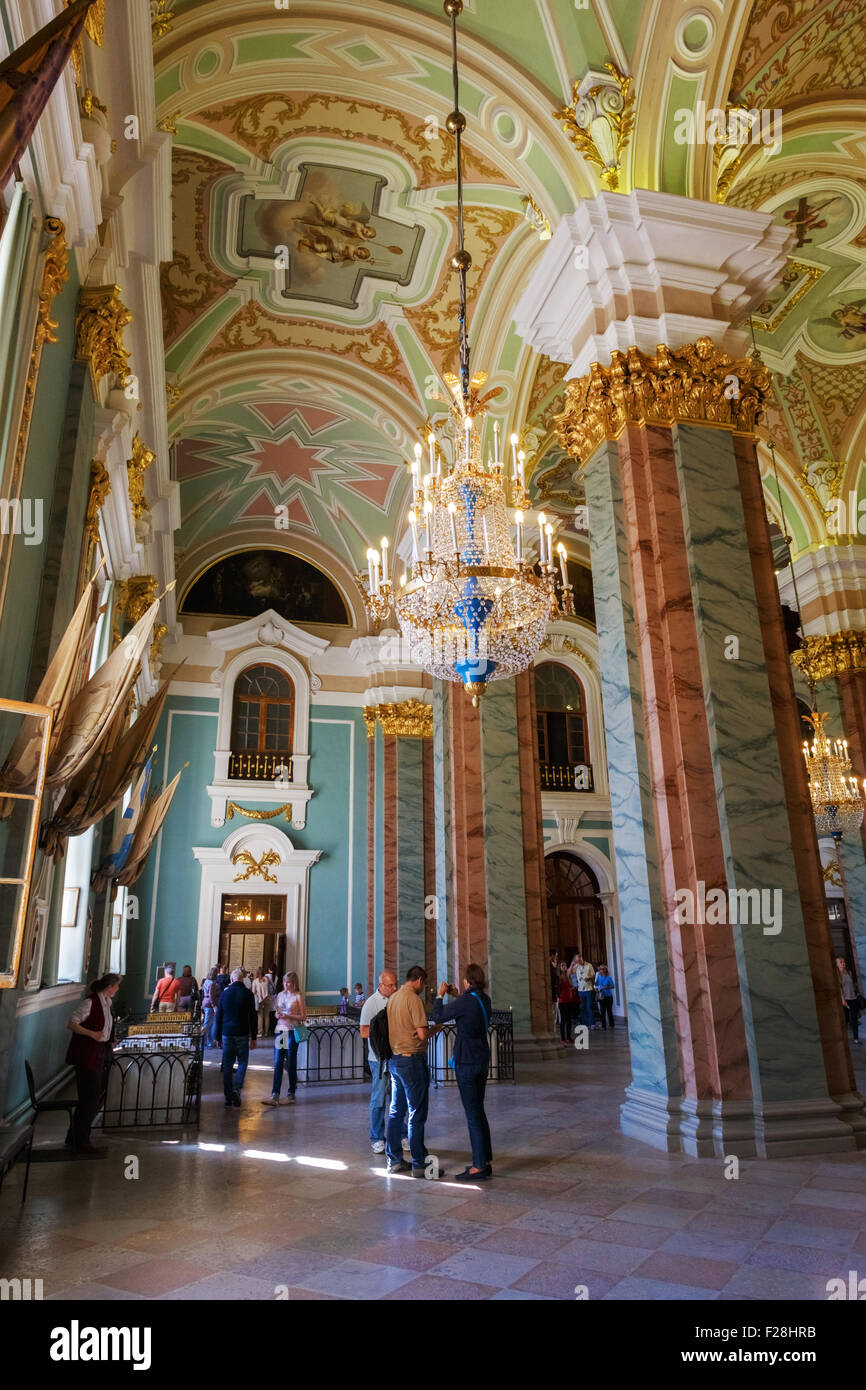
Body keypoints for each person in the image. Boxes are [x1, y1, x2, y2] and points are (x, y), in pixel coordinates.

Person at [434, 965, 493, 1181]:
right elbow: (470, 1008)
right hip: (482, 1060)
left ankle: (479, 1166)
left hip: (466, 1062)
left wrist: (440, 995)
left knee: (472, 1115)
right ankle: (484, 1160)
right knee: (479, 1111)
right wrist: (458, 994)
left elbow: (438, 1015)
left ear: (467, 981)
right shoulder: (484, 1000)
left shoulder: (465, 1002)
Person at [385, 965, 442, 1178]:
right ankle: (419, 1163)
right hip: (412, 1061)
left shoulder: (393, 999)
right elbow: (421, 1033)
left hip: (395, 1060)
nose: (423, 987)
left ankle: (395, 1161)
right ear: (418, 980)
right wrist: (435, 1029)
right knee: (416, 1112)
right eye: (424, 984)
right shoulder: (413, 999)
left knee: (395, 1111)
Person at [65, 973, 122, 1156]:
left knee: (94, 1097)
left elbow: (105, 1025)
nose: (118, 989)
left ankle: (74, 1135)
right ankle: (81, 1140)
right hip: (86, 1055)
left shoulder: (107, 1002)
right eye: (116, 986)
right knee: (89, 1099)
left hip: (99, 1053)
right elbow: (72, 1024)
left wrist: (109, 1039)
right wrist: (92, 1034)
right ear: (109, 987)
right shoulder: (90, 1002)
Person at [359, 970, 408, 1156]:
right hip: (378, 1059)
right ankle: (377, 1138)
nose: (394, 988)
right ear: (381, 985)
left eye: (396, 984)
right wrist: (383, 1032)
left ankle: (402, 1134)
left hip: (396, 1056)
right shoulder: (371, 1004)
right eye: (390, 985)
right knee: (378, 1099)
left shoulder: (397, 999)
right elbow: (363, 1031)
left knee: (398, 1098)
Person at [262, 971, 306, 1106]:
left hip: (293, 1031)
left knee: (291, 1062)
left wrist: (289, 1016)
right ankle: (275, 1094)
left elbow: (303, 1016)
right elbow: (277, 1012)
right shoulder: (280, 995)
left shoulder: (298, 996)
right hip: (281, 1031)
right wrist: (277, 1015)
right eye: (284, 982)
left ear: (294, 983)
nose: (285, 985)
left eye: (288, 982)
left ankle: (291, 1093)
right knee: (278, 1062)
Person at [215, 967, 257, 1106]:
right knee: (243, 1061)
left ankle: (228, 1096)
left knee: (227, 1064)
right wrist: (254, 1037)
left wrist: (217, 1037)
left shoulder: (224, 994)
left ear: (232, 980)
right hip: (242, 1033)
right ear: (242, 979)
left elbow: (219, 1017)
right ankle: (237, 1089)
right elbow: (253, 1017)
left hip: (227, 1033)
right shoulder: (248, 994)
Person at [837, 957, 862, 1045]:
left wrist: (857, 993)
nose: (843, 963)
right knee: (845, 1020)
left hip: (853, 999)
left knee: (854, 1020)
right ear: (837, 964)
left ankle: (856, 1039)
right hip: (845, 1000)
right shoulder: (837, 974)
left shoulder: (849, 972)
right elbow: (839, 988)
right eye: (841, 962)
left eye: (844, 961)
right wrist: (842, 999)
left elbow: (853, 985)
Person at [570, 954, 596, 1030]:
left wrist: (589, 978)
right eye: (577, 961)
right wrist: (572, 964)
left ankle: (592, 1023)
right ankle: (585, 1024)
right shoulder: (576, 966)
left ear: (581, 958)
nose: (578, 962)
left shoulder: (589, 965)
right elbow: (570, 973)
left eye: (579, 960)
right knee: (582, 1007)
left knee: (589, 1007)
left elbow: (593, 975)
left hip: (588, 989)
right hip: (580, 990)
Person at [201, 966, 221, 1047]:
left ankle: (209, 1041)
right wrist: (214, 1007)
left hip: (205, 1003)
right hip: (210, 1005)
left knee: (208, 1024)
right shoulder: (212, 983)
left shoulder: (206, 981)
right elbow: (211, 996)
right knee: (207, 1024)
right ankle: (202, 1041)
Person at [556, 968, 574, 1046]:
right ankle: (563, 1038)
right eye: (562, 965)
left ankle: (568, 1037)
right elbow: (558, 989)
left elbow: (570, 986)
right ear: (559, 968)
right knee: (563, 1019)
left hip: (569, 999)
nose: (564, 967)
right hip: (562, 1000)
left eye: (565, 965)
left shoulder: (568, 977)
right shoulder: (559, 977)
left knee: (569, 1019)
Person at [252, 966, 271, 1038]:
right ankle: (266, 1033)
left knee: (260, 1017)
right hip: (267, 999)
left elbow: (253, 992)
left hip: (260, 1000)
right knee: (267, 1016)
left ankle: (260, 1032)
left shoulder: (255, 981)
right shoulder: (267, 979)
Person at [595, 963, 615, 1030]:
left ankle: (611, 1024)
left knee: (609, 1011)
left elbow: (613, 986)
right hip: (601, 996)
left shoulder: (609, 978)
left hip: (608, 996)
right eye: (600, 969)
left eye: (603, 969)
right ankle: (604, 1026)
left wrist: (606, 987)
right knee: (602, 1011)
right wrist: (596, 988)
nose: (602, 970)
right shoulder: (599, 977)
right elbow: (596, 984)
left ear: (605, 970)